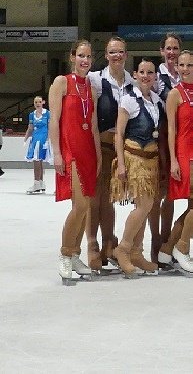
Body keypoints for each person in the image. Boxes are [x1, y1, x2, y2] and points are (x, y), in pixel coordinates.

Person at [157, 50, 193, 277]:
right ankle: (182, 247)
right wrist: (173, 160)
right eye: (182, 65)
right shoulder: (174, 94)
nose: (186, 69)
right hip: (184, 154)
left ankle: (166, 249)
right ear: (177, 68)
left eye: (191, 65)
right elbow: (171, 129)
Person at [49, 39, 101, 284]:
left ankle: (77, 254)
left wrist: (99, 155)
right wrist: (56, 153)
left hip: (89, 152)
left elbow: (92, 125)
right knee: (79, 206)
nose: (85, 61)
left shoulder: (90, 87)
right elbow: (54, 120)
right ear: (72, 57)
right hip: (70, 151)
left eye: (89, 57)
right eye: (81, 55)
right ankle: (65, 254)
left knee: (87, 207)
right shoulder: (61, 83)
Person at [110, 59, 163, 277]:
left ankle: (136, 253)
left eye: (150, 72)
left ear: (155, 76)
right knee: (144, 205)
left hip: (152, 160)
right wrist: (121, 163)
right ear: (135, 74)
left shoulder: (157, 100)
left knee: (147, 208)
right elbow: (119, 134)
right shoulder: (128, 100)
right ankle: (123, 249)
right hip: (135, 158)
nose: (146, 76)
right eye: (142, 72)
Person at [87, 36, 134, 272]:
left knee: (111, 199)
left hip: (123, 149)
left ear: (126, 55)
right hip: (101, 146)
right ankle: (92, 244)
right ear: (106, 56)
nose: (117, 56)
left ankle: (109, 241)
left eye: (120, 52)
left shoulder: (133, 82)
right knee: (95, 198)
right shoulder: (95, 80)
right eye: (112, 52)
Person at [151, 32, 181, 262]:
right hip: (158, 135)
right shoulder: (155, 75)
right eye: (168, 48)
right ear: (162, 51)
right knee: (156, 193)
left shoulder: (184, 75)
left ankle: (167, 240)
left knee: (170, 194)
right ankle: (155, 240)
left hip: (179, 137)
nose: (171, 52)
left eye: (175, 48)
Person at [24, 95, 52, 194]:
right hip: (35, 140)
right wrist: (25, 139)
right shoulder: (32, 115)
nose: (37, 104)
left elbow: (50, 127)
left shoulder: (47, 114)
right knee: (38, 161)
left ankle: (36, 183)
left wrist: (48, 140)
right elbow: (30, 128)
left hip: (43, 139)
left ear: (43, 102)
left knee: (37, 161)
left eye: (39, 102)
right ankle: (40, 182)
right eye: (36, 102)